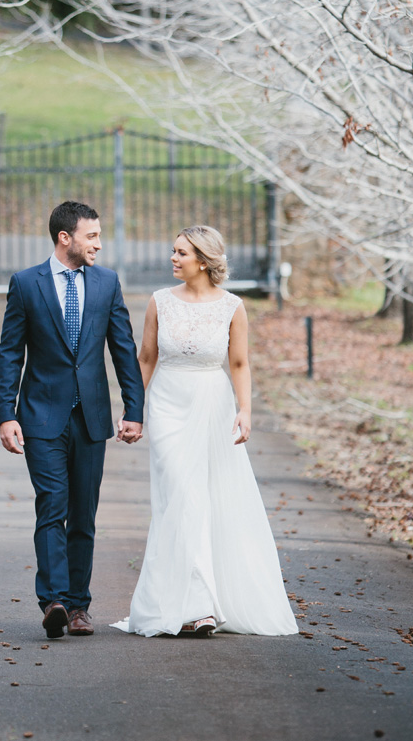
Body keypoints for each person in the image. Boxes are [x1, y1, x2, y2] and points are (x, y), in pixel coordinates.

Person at [112, 225, 298, 638]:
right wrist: (133, 411)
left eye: (181, 253)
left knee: (203, 498)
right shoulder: (160, 302)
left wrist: (245, 411)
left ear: (203, 259)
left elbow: (239, 364)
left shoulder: (232, 307)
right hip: (167, 406)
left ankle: (201, 606)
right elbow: (146, 358)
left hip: (212, 404)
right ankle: (190, 604)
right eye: (173, 251)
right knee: (178, 496)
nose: (173, 259)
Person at [0, 200, 145, 639]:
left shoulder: (107, 282)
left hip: (91, 418)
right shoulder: (26, 284)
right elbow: (10, 353)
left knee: (83, 515)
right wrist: (7, 414)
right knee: (51, 506)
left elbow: (123, 350)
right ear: (66, 238)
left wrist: (133, 410)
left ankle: (79, 606)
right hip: (41, 416)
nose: (98, 243)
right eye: (91, 236)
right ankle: (55, 601)